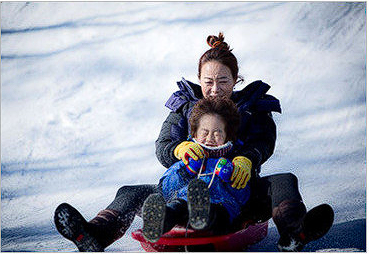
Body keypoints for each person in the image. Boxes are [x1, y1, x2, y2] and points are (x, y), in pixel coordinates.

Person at [155, 32, 334, 251]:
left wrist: (246, 159)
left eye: (223, 81)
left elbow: (264, 141)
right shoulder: (185, 107)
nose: (215, 89)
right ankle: (101, 230)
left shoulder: (252, 107)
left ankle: (294, 231)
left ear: (235, 79)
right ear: (199, 79)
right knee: (130, 192)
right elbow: (163, 144)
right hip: (188, 187)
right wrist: (178, 149)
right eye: (208, 82)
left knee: (284, 180)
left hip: (240, 190)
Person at [142, 98, 251, 243]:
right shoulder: (187, 160)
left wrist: (230, 178)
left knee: (212, 213)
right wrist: (187, 171)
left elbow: (243, 198)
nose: (210, 138)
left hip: (221, 207)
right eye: (204, 132)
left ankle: (199, 224)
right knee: (177, 206)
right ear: (194, 134)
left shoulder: (231, 163)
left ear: (227, 136)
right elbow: (166, 188)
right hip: (185, 201)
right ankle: (159, 220)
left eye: (217, 133)